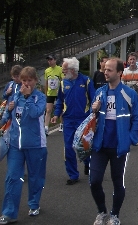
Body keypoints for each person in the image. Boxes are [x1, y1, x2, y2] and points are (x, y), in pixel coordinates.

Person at [90, 57, 138, 225]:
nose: (105, 72)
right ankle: (102, 211)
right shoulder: (100, 93)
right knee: (94, 181)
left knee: (117, 181)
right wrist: (93, 111)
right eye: (105, 69)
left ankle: (114, 215)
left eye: (109, 70)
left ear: (120, 72)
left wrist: (130, 139)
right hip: (100, 145)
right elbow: (91, 119)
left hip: (119, 147)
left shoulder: (129, 94)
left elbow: (137, 120)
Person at [0, 66, 47, 224]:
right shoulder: (16, 96)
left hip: (36, 145)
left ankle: (34, 204)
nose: (26, 83)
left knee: (35, 177)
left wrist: (28, 97)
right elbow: (4, 119)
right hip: (15, 145)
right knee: (12, 177)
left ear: (35, 81)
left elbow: (34, 113)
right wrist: (8, 111)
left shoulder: (40, 97)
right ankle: (9, 213)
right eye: (24, 80)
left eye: (29, 80)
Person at [51, 57, 96, 185]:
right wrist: (56, 114)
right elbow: (60, 100)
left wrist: (94, 115)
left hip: (84, 119)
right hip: (69, 120)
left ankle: (88, 165)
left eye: (64, 69)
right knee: (69, 148)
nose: (62, 71)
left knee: (85, 146)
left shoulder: (86, 81)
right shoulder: (62, 83)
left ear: (72, 69)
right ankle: (73, 175)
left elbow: (93, 99)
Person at [44, 55, 63, 135]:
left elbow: (63, 80)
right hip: (50, 93)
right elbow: (46, 82)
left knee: (61, 109)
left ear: (55, 60)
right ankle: (46, 128)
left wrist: (62, 91)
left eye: (51, 60)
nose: (50, 61)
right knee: (48, 110)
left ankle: (62, 125)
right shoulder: (47, 71)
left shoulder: (60, 69)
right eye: (48, 60)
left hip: (58, 92)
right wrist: (45, 93)